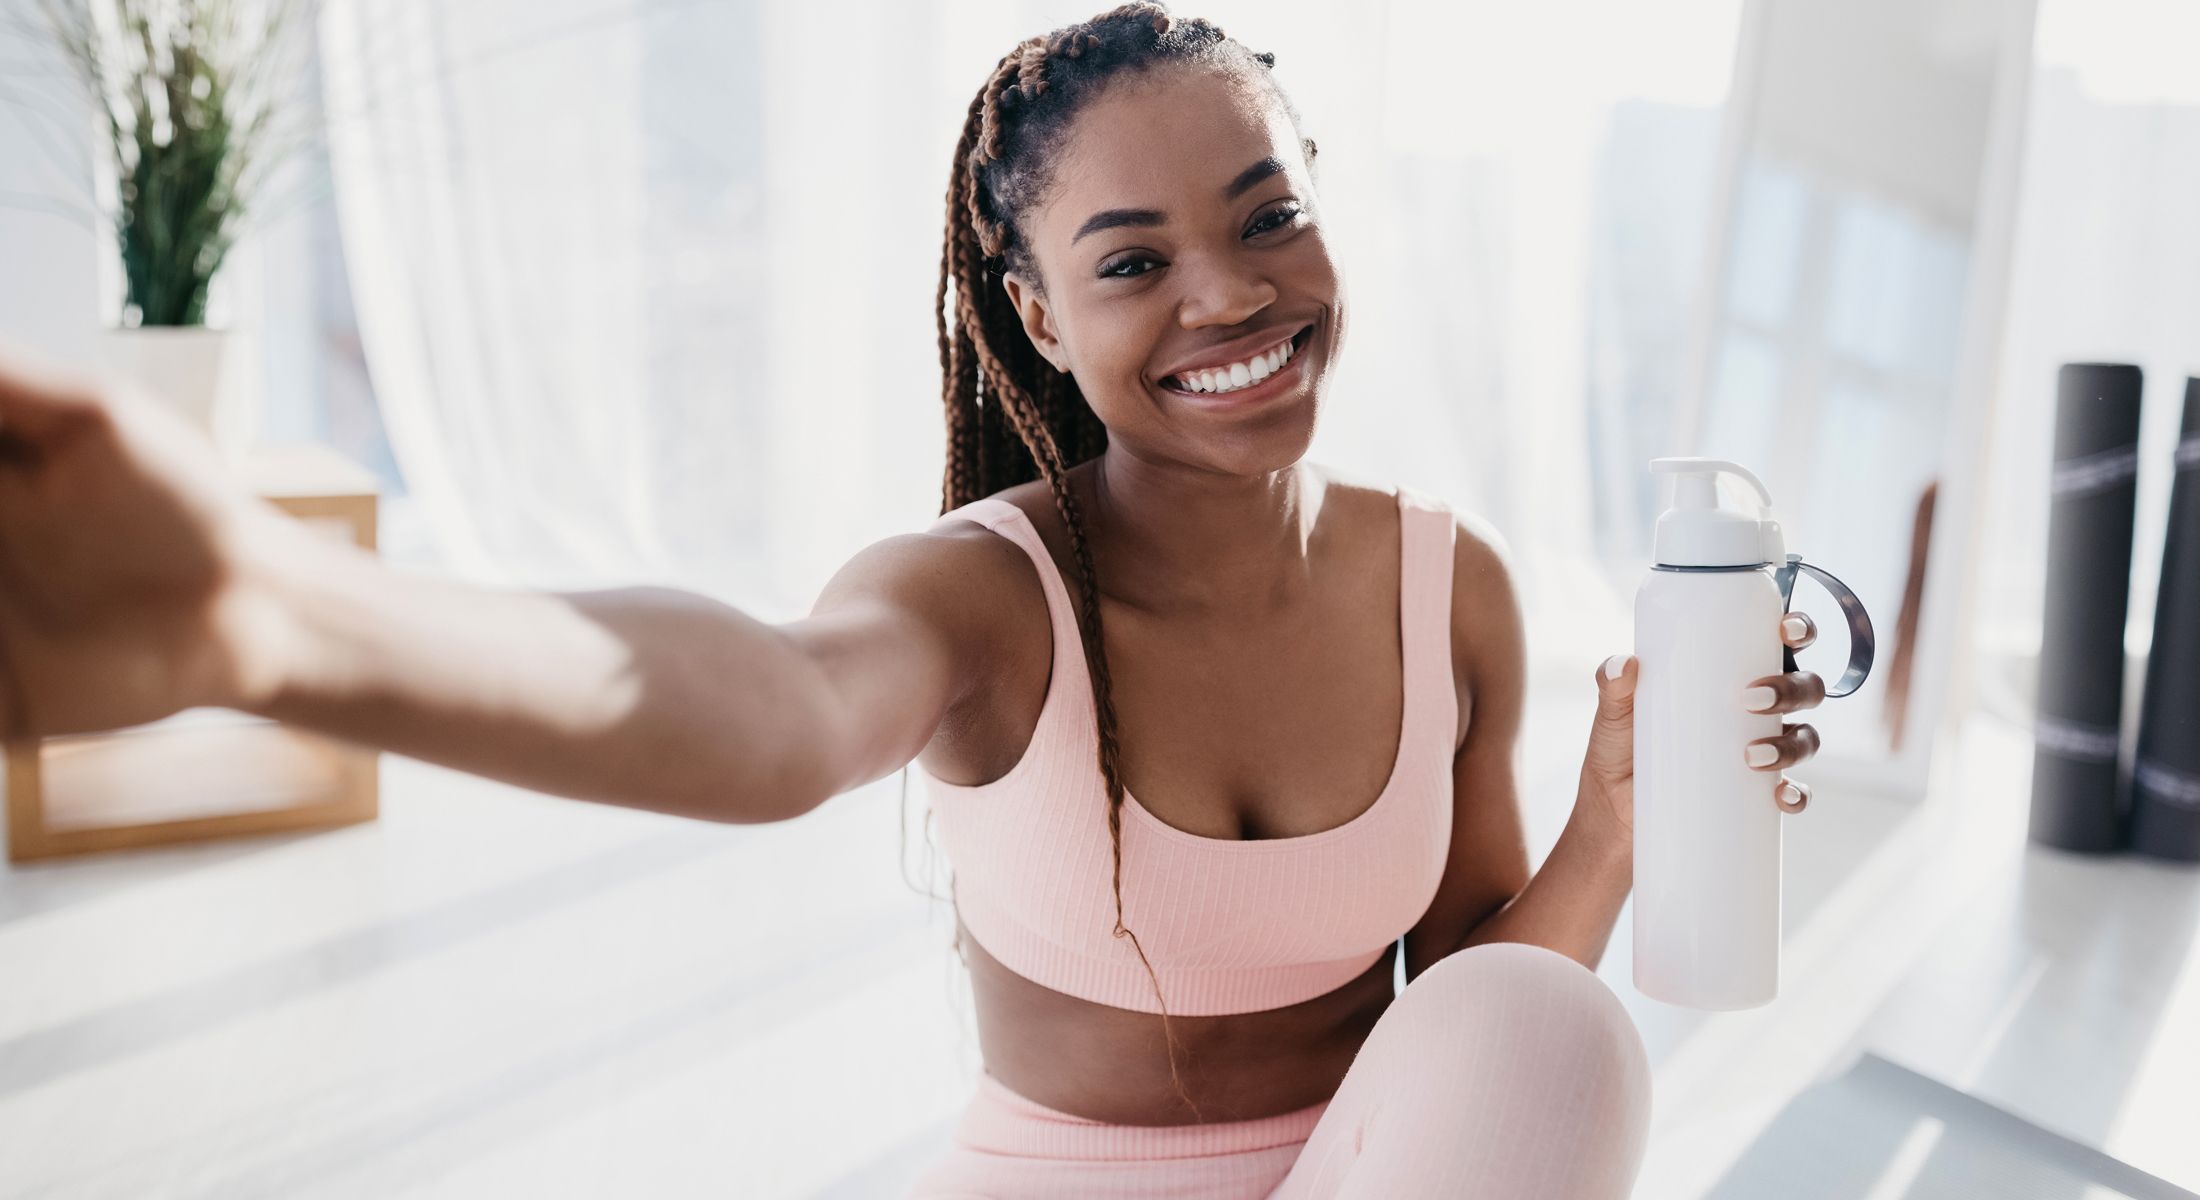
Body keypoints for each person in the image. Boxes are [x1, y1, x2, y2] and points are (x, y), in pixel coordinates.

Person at [0, 3, 1827, 1195]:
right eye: (1134, 260)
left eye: (1267, 216)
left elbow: (1463, 1024)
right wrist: (280, 616)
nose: (1231, 294)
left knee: (1544, 1029)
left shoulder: (1453, 585)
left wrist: (1611, 824)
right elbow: (772, 710)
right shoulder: (987, 599)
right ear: (1036, 312)